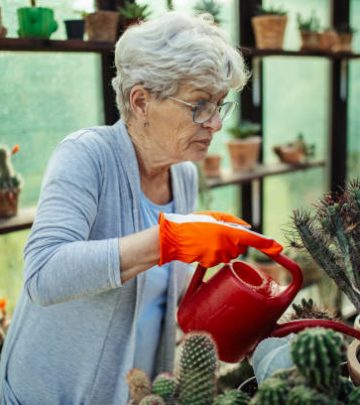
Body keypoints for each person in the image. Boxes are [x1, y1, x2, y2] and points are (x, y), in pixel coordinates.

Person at [0, 11, 282, 404]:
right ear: (141, 101)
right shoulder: (86, 155)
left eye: (220, 104)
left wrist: (247, 309)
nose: (215, 123)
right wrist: (168, 240)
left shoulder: (181, 174)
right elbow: (43, 275)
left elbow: (163, 301)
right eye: (200, 105)